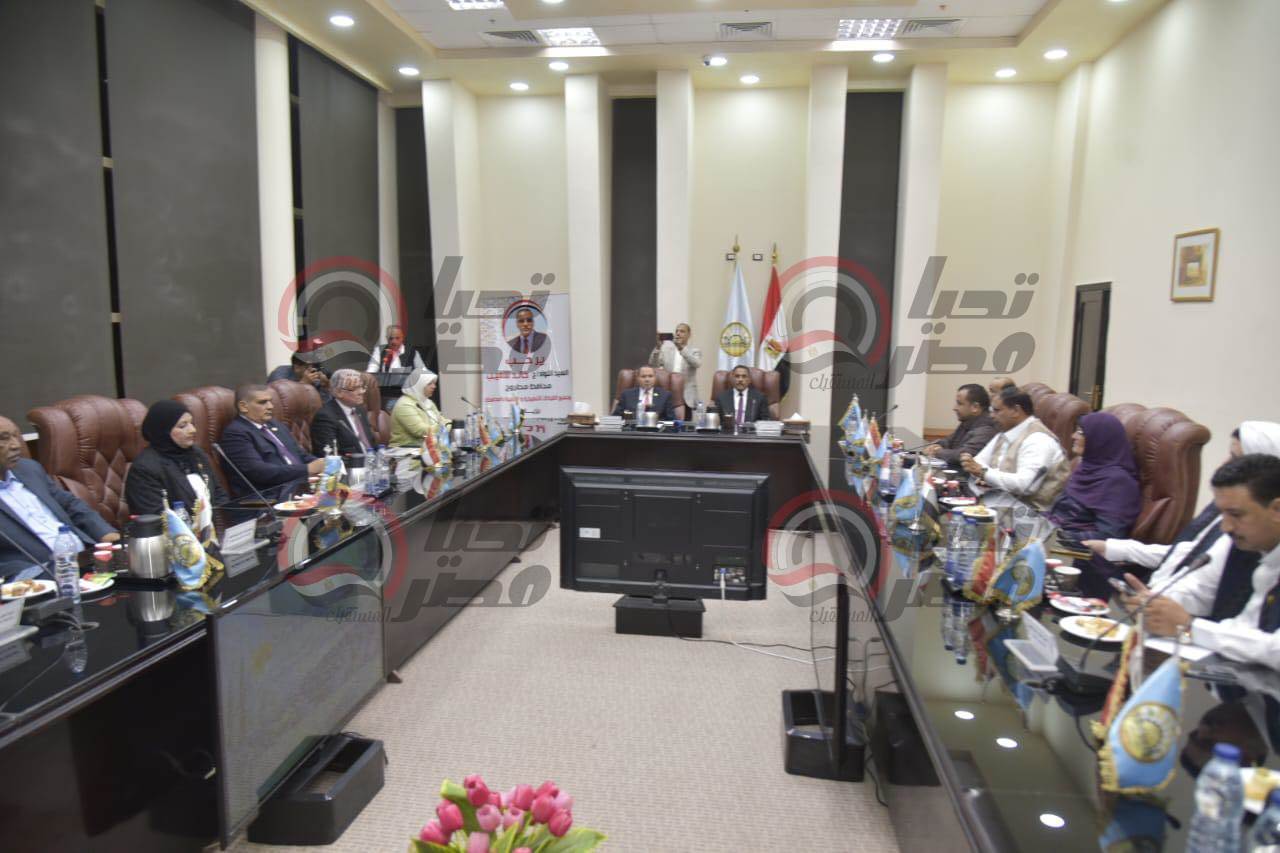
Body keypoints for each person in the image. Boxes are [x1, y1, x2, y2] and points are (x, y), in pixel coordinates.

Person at [1094, 422, 1280, 620]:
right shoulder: (1225, 511)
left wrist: (1182, 621)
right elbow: (1189, 553)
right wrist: (1116, 549)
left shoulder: (1250, 536)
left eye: (1235, 458)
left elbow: (1204, 589)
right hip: (1158, 600)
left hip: (1182, 618)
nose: (1224, 464)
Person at [1122, 454, 1280, 670]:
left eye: (1236, 515)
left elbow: (1275, 650)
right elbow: (1246, 628)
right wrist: (1157, 609)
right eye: (1223, 515)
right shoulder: (1266, 557)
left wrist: (1189, 627)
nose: (1226, 528)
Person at [0, 415, 118, 578]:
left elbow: (70, 504)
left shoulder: (29, 469)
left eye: (16, 436)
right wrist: (34, 575)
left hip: (86, 561)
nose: (16, 445)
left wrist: (105, 533)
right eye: (4, 438)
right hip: (38, 579)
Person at [1045, 412, 1141, 596]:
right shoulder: (1086, 467)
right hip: (1058, 547)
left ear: (1100, 440)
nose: (1073, 436)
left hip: (1083, 563)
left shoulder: (1119, 482)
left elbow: (1108, 536)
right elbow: (1060, 512)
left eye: (1081, 432)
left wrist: (1061, 537)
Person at [960, 387, 1069, 521]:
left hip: (1032, 517)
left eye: (997, 410)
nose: (991, 416)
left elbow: (1026, 485)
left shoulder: (1038, 439)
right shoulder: (1004, 433)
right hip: (1001, 507)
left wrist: (985, 473)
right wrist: (984, 473)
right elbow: (977, 462)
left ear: (1016, 411)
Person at [124, 401, 228, 537]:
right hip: (175, 541)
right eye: (183, 426)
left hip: (212, 536)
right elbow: (155, 519)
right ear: (163, 430)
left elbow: (219, 494)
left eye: (192, 423)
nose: (192, 430)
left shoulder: (196, 454)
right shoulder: (144, 469)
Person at [218, 384, 324, 502]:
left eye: (270, 401)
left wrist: (323, 464)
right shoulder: (236, 433)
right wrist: (307, 469)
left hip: (299, 488)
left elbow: (300, 455)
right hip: (267, 499)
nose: (270, 406)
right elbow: (260, 472)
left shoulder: (275, 425)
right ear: (243, 406)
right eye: (262, 402)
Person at [922, 384, 997, 466]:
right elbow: (948, 441)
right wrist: (935, 446)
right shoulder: (967, 422)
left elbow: (963, 455)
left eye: (959, 403)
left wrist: (937, 452)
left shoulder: (986, 429)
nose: (955, 408)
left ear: (975, 407)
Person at [311, 369, 378, 458]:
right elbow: (330, 455)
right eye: (355, 388)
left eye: (362, 387)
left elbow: (370, 443)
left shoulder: (360, 410)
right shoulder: (325, 417)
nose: (361, 392)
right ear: (339, 392)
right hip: (351, 464)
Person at [390, 369, 450, 447]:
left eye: (434, 383)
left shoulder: (428, 402)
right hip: (406, 449)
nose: (434, 387)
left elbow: (443, 421)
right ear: (418, 385)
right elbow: (421, 431)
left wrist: (446, 425)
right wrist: (444, 427)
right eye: (429, 384)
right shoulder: (404, 405)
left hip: (427, 448)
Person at [649, 323, 702, 409]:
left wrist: (681, 348)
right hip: (668, 393)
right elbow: (653, 365)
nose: (678, 333)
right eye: (677, 331)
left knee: (686, 417)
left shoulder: (694, 351)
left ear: (689, 335)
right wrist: (658, 347)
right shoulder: (666, 350)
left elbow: (696, 364)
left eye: (682, 331)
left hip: (687, 396)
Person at [714, 365, 767, 430]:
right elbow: (715, 422)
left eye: (744, 376)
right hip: (728, 434)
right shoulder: (721, 398)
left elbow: (765, 421)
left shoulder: (760, 398)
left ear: (749, 380)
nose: (740, 379)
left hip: (750, 434)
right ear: (732, 379)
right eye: (737, 376)